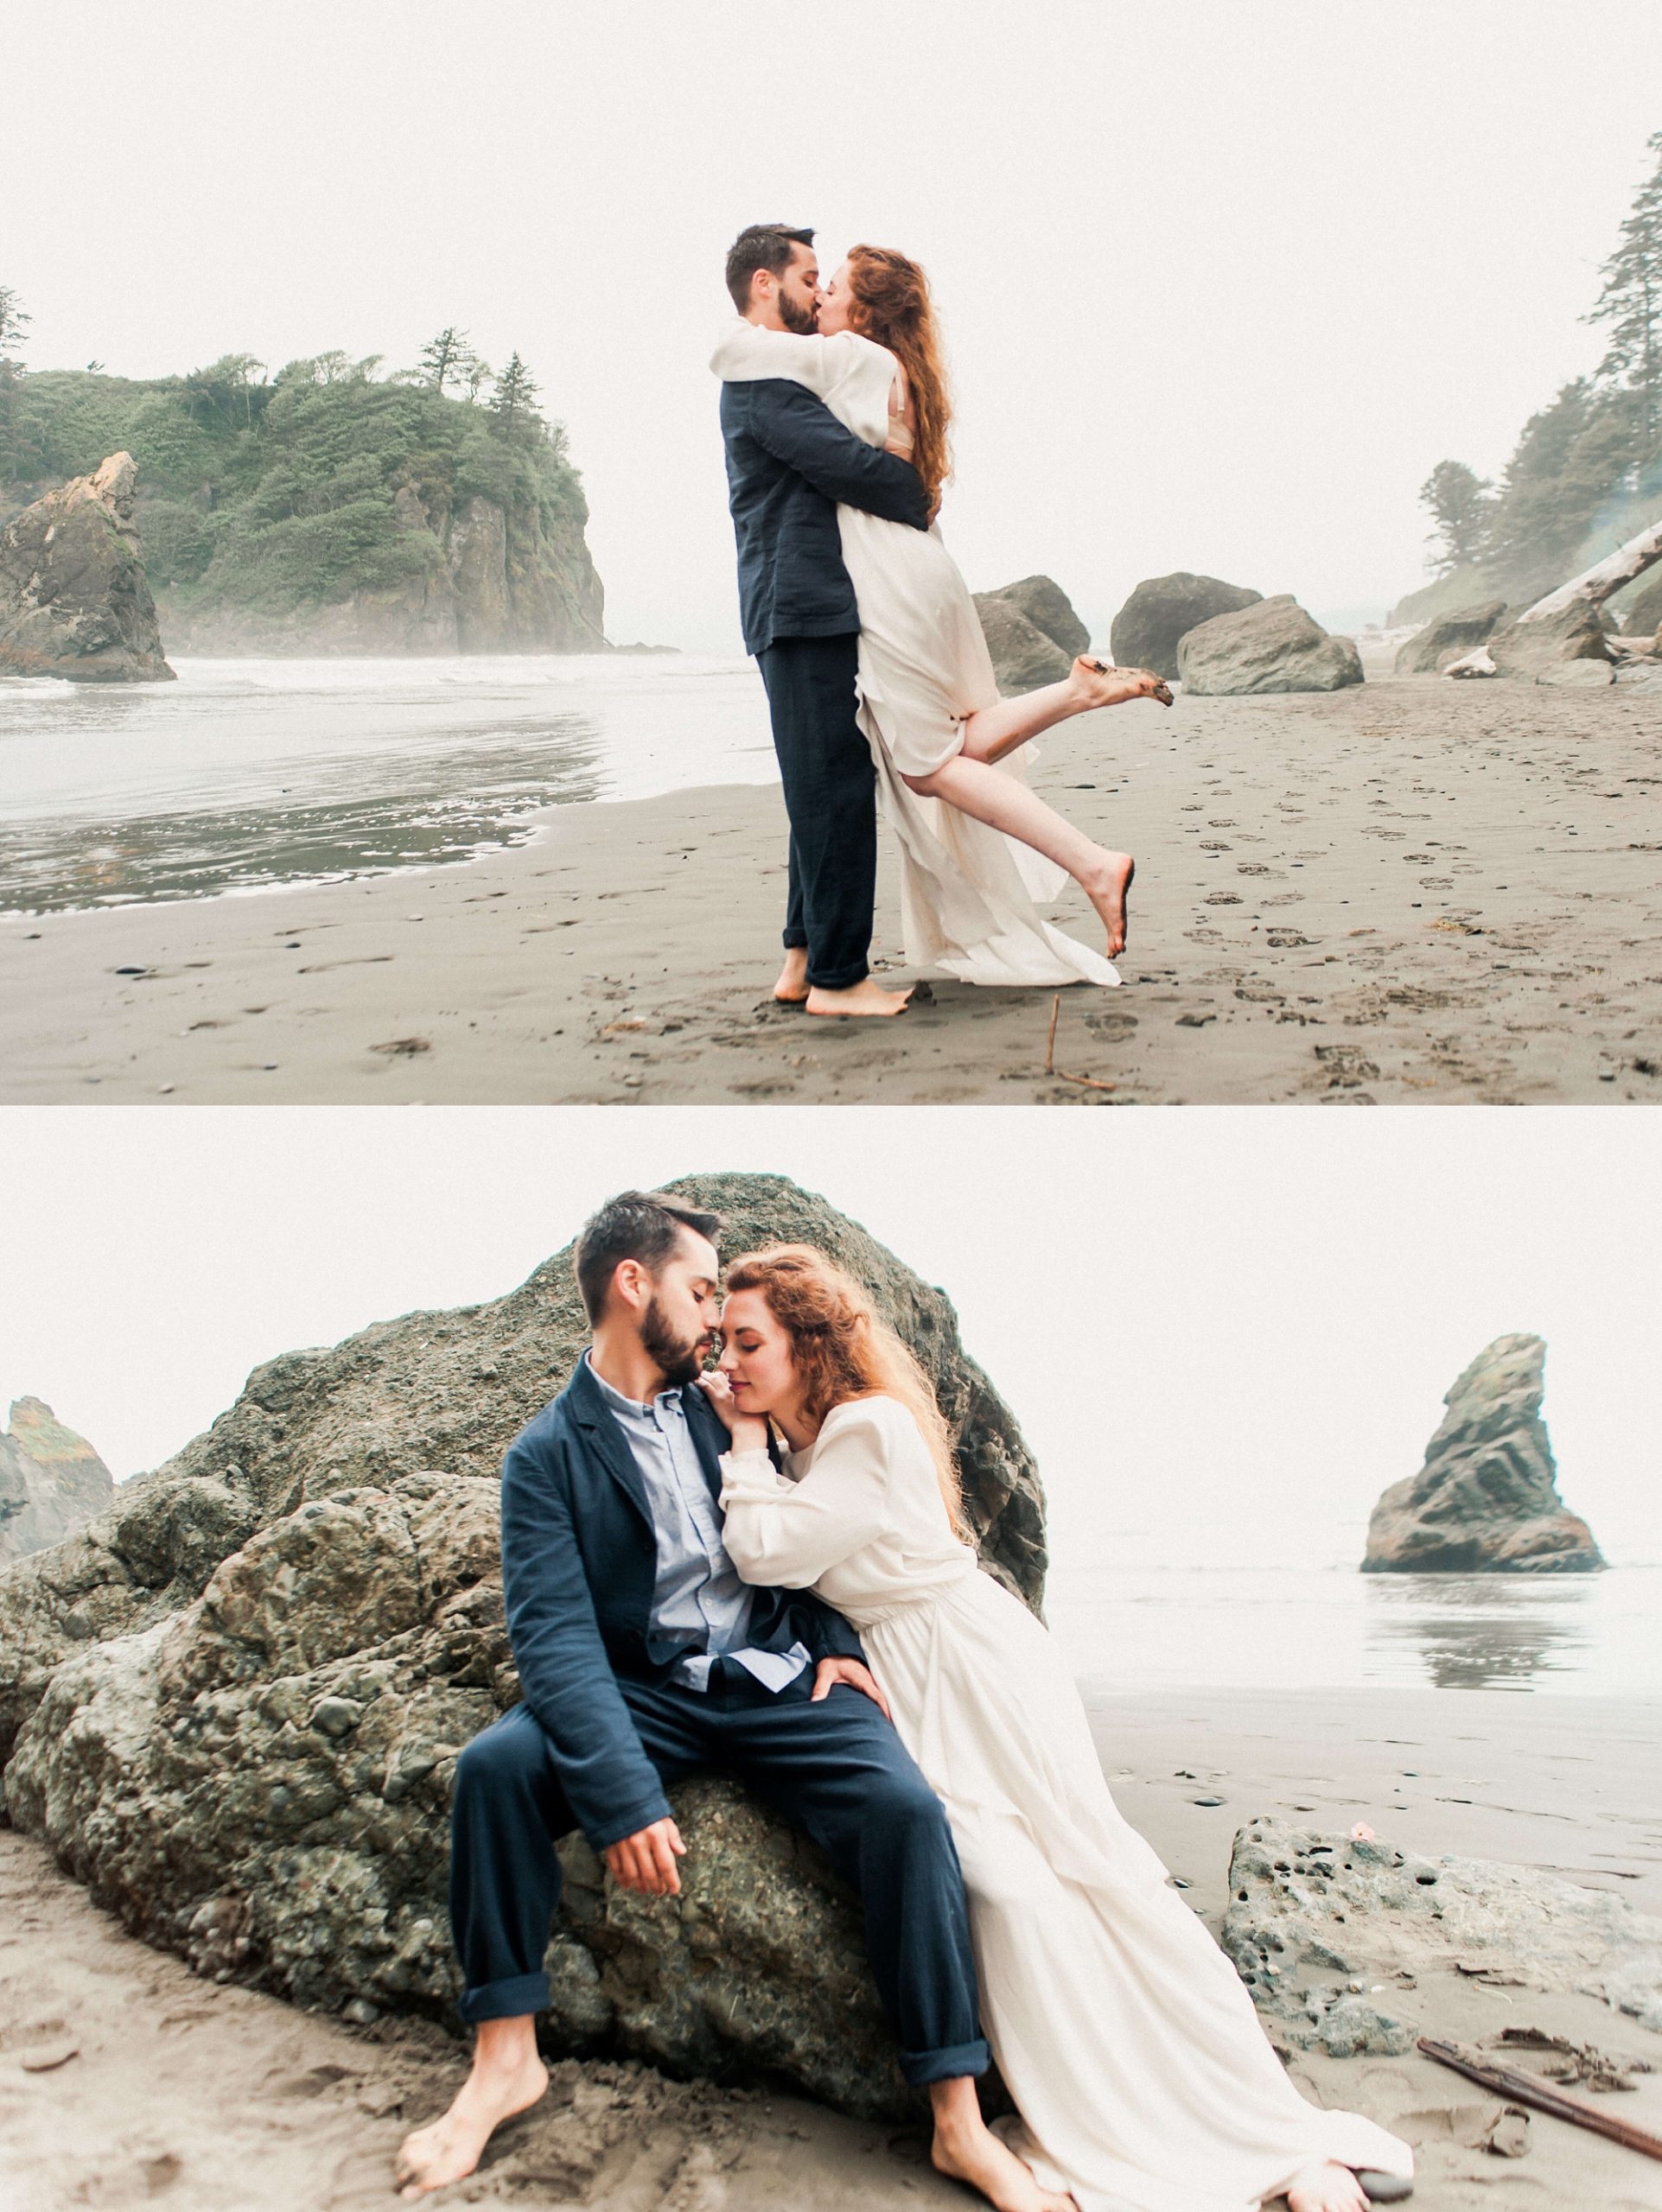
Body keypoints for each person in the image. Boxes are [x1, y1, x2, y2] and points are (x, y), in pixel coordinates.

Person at [699, 1244, 1418, 2212]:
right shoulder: (805, 1446)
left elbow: (766, 1549)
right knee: (1011, 1890)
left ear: (809, 1342)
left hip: (974, 1669)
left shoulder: (866, 1427)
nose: (731, 1361)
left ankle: (1256, 2125)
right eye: (723, 1343)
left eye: (751, 1341)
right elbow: (805, 1577)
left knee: (1095, 1872)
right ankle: (1117, 2112)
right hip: (911, 1682)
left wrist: (739, 1443)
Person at [395, 1192, 1069, 2212]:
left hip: (777, 1672)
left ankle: (957, 2118)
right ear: (635, 1285)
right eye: (701, 1288)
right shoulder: (546, 1455)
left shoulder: (731, 1406)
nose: (715, 1317)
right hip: (649, 1688)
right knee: (495, 1770)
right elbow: (555, 1636)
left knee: (906, 1813)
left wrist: (839, 1649)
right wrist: (621, 1795)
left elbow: (816, 1542)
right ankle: (504, 2059)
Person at [713, 239, 1172, 991]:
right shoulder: (892, 367)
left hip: (892, 575)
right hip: (911, 567)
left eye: (831, 288)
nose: (821, 298)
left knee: (924, 764)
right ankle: (1076, 697)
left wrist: (744, 325)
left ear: (862, 311)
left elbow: (737, 358)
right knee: (935, 750)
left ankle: (1093, 860)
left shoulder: (856, 360)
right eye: (812, 283)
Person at [717, 224, 933, 1018]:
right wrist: (915, 490)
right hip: (800, 601)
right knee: (834, 788)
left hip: (797, 600)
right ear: (766, 285)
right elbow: (850, 468)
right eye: (810, 277)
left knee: (816, 785)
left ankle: (802, 960)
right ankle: (841, 982)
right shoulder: (760, 381)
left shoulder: (775, 371)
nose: (819, 292)